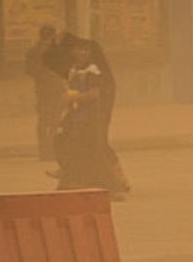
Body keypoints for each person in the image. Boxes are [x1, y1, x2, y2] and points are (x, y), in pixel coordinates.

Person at [44, 31, 129, 192]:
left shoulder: (92, 70)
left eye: (84, 50)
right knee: (70, 142)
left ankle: (114, 182)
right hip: (81, 114)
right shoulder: (76, 68)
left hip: (93, 114)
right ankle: (74, 177)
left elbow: (96, 93)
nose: (80, 53)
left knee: (96, 146)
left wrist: (75, 100)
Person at [24, 24, 62, 162]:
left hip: (41, 89)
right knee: (54, 121)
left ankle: (43, 151)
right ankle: (52, 150)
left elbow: (28, 70)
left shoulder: (32, 52)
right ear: (52, 36)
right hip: (55, 89)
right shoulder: (55, 51)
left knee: (43, 120)